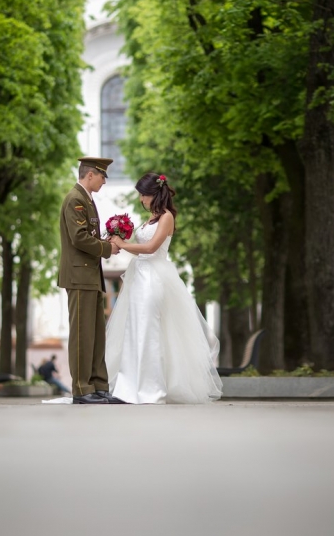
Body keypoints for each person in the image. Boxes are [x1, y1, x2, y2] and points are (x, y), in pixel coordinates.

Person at [106, 172, 223, 404]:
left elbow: (150, 248)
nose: (141, 199)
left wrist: (123, 244)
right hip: (138, 278)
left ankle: (151, 389)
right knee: (134, 331)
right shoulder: (151, 217)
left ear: (152, 194)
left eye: (142, 195)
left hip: (153, 279)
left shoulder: (166, 217)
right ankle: (129, 387)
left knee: (149, 332)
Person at [59, 156, 125, 404]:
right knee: (82, 335)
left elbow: (87, 236)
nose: (104, 181)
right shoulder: (75, 199)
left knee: (96, 335)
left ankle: (98, 385)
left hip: (89, 276)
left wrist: (105, 243)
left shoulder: (86, 199)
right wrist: (107, 249)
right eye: (102, 176)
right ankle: (81, 389)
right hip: (79, 276)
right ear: (90, 175)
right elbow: (79, 238)